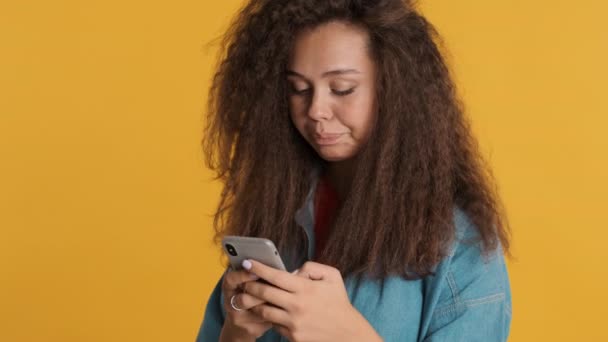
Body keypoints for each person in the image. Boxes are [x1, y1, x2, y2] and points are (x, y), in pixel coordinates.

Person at [197, 0, 512, 341]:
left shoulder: (459, 245)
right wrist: (235, 333)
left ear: (394, 88)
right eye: (298, 89)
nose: (316, 109)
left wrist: (348, 334)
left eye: (342, 89)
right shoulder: (277, 212)